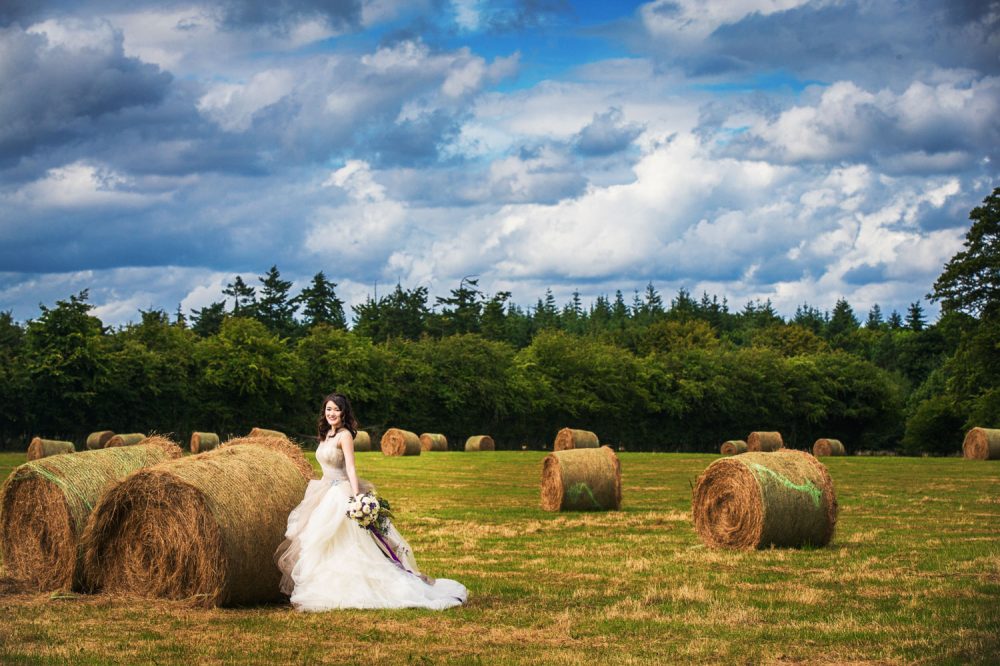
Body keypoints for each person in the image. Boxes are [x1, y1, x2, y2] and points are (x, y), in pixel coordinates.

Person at [274, 392, 467, 610]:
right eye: (328, 409)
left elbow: (351, 467)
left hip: (341, 491)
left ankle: (355, 588)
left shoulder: (345, 435)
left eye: (336, 410)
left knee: (348, 542)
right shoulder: (325, 433)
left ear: (344, 413)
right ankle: (321, 586)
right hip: (325, 490)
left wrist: (357, 498)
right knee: (317, 541)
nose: (332, 413)